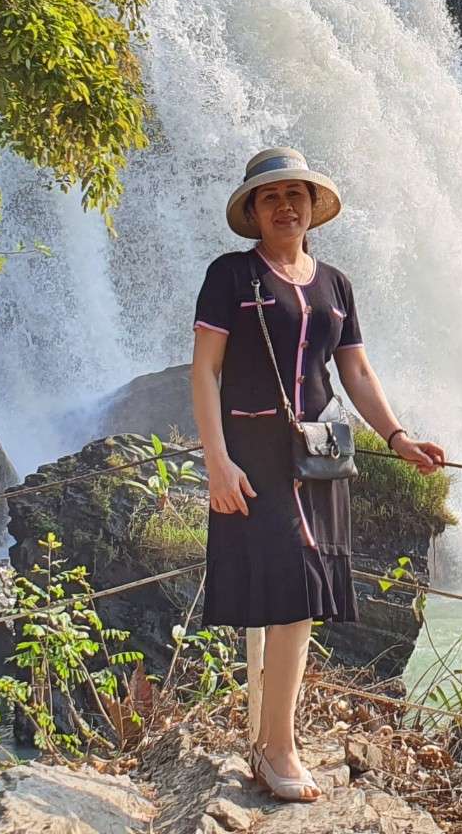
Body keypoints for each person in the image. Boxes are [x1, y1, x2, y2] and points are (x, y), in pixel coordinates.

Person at [188, 147, 446, 804]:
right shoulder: (231, 275)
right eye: (270, 197)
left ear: (312, 208)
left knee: (301, 595)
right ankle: (276, 748)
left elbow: (355, 370)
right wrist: (217, 459)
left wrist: (397, 436)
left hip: (320, 455)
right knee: (290, 589)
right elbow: (205, 370)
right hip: (253, 455)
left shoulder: (335, 284)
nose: (284, 207)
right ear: (253, 211)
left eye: (294, 196)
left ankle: (275, 742)